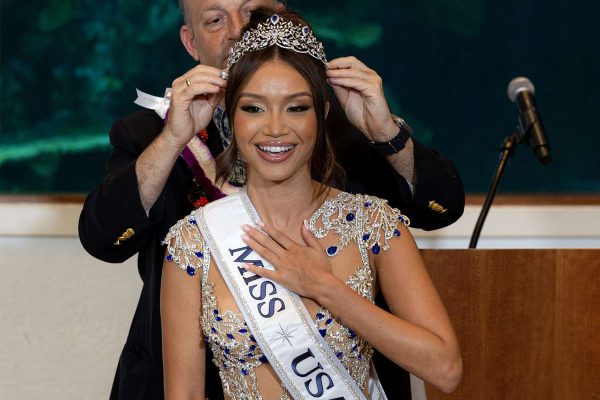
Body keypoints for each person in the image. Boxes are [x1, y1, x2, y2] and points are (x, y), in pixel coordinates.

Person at [78, 1, 464, 399]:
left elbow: (442, 205)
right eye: (215, 20)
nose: (238, 30)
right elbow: (102, 238)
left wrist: (386, 133)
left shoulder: (349, 128)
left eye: (252, 12)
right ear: (191, 42)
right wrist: (174, 137)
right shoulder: (157, 146)